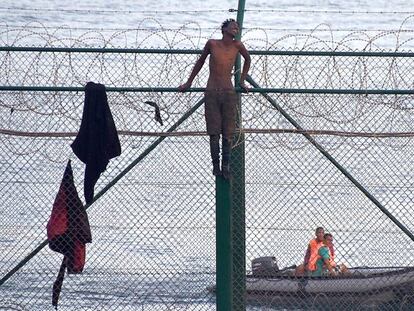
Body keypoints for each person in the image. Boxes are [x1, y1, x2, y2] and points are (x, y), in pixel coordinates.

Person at [179, 18, 251, 179]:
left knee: (228, 132)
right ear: (224, 29)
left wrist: (241, 81)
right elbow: (200, 62)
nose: (236, 29)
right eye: (233, 27)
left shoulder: (237, 46)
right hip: (212, 92)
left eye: (237, 28)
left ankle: (226, 166)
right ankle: (215, 166)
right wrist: (189, 82)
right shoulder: (212, 44)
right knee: (213, 132)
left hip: (228, 92)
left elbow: (248, 59)